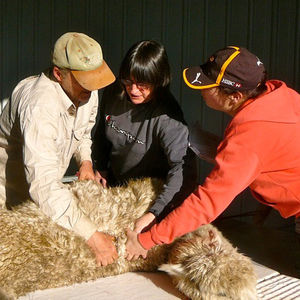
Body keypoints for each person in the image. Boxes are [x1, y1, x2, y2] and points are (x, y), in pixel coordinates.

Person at [125, 45, 300, 260]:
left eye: (208, 85)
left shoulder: (250, 135)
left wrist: (147, 240)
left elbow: (206, 202)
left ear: (235, 96)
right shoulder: (281, 95)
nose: (201, 89)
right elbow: (283, 155)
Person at [0, 32, 118, 266]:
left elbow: (84, 131)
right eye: (86, 81)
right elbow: (43, 183)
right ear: (58, 74)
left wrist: (85, 161)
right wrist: (93, 237)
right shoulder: (39, 107)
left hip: (45, 197)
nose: (93, 88)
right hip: (8, 195)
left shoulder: (86, 91)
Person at [92, 40, 197, 233]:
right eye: (128, 82)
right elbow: (101, 133)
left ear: (159, 81)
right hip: (115, 185)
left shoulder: (168, 117)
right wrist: (100, 168)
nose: (133, 90)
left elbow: (182, 170)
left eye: (142, 85)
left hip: (148, 197)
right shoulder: (115, 92)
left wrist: (155, 213)